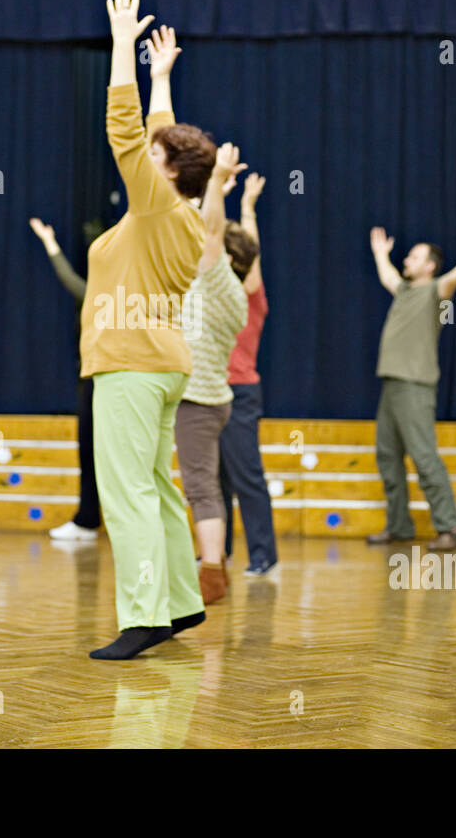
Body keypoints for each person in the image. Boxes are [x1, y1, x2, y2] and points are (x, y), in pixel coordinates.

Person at [83, 0, 209, 660]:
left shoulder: (157, 204)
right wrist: (159, 72)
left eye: (155, 158)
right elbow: (160, 135)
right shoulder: (181, 213)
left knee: (127, 490)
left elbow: (128, 134)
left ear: (165, 173)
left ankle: (143, 615)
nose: (143, 160)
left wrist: (119, 46)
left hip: (131, 362)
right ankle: (180, 602)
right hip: (162, 363)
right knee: (156, 487)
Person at [365, 226, 456, 549]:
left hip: (415, 387)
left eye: (414, 256)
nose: (407, 260)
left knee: (424, 456)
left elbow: (455, 276)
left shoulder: (435, 291)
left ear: (429, 266)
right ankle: (399, 525)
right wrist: (379, 254)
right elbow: (387, 276)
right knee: (387, 456)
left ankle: (451, 528)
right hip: (392, 384)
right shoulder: (403, 290)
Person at [175, 149, 257, 605]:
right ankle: (212, 564)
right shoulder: (236, 293)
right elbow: (205, 225)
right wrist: (217, 192)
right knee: (204, 485)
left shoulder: (215, 280)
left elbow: (207, 230)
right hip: (212, 399)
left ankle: (211, 573)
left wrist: (217, 181)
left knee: (201, 487)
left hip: (198, 401)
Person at [219, 173, 279, 578]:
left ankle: (263, 555)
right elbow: (210, 239)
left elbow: (249, 253)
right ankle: (215, 553)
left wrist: (246, 206)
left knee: (246, 477)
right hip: (209, 393)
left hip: (240, 393)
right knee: (213, 480)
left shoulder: (250, 293)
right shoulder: (215, 288)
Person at [28, 217, 102, 542]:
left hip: (106, 382)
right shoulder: (98, 296)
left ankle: (96, 520)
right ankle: (89, 519)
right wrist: (49, 240)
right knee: (90, 452)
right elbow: (68, 277)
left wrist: (49, 242)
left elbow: (67, 276)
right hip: (95, 381)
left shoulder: (106, 298)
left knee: (99, 454)